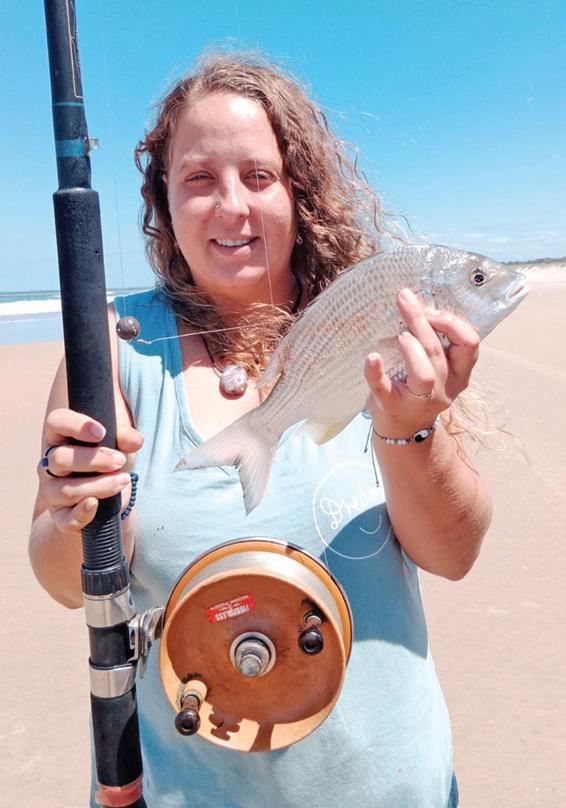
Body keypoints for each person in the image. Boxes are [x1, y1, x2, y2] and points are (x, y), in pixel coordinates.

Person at [29, 54, 491, 808]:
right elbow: (62, 582)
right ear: (162, 198)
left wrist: (412, 430)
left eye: (258, 176)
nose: (231, 205)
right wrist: (71, 511)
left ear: (297, 192)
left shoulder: (373, 323)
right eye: (199, 178)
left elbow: (455, 552)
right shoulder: (114, 348)